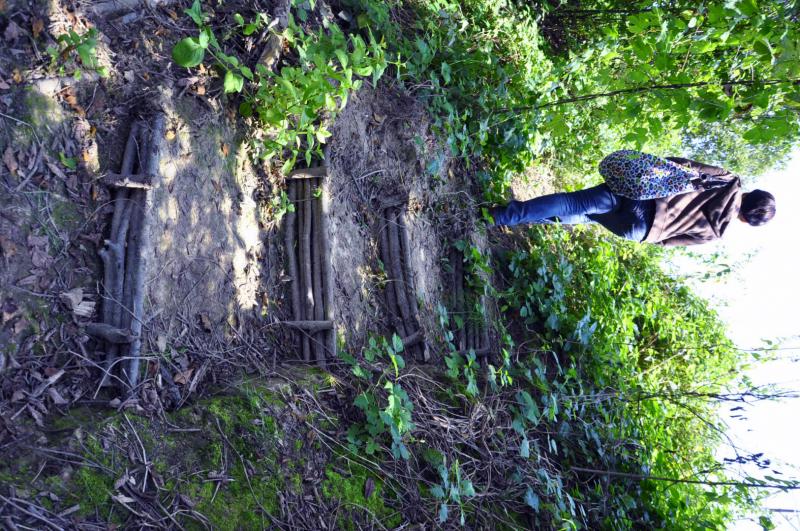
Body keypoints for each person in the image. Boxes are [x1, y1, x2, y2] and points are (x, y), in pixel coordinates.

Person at [490, 156, 776, 246]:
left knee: (573, 204)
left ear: (752, 193)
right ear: (746, 220)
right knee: (587, 215)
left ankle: (502, 216)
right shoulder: (716, 234)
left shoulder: (727, 180)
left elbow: (683, 165)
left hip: (644, 195)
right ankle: (518, 217)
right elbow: (669, 242)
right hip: (639, 230)